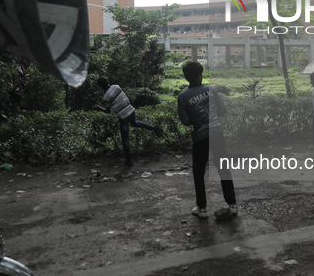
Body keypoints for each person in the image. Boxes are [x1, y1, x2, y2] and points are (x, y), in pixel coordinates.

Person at [177, 61, 237, 218]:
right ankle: (232, 205)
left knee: (199, 172)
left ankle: (202, 209)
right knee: (223, 168)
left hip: (200, 138)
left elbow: (186, 122)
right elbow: (223, 110)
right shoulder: (212, 89)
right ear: (200, 75)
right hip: (217, 134)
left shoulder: (182, 97)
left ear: (186, 77)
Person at [94, 76, 164, 166]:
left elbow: (108, 111)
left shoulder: (105, 98)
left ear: (100, 86)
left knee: (125, 139)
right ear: (107, 81)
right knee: (134, 123)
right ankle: (154, 128)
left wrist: (99, 108)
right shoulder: (116, 87)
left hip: (123, 116)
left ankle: (130, 160)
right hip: (131, 110)